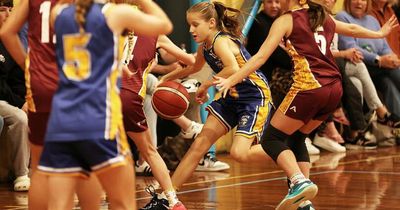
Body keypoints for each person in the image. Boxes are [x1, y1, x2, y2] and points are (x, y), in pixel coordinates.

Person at [214, 0, 397, 208]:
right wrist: (380, 34)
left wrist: (232, 79)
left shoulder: (286, 20)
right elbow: (353, 28)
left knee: (271, 139)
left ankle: (299, 181)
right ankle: (304, 203)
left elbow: (261, 57)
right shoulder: (322, 16)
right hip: (334, 89)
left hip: (309, 87)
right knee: (298, 139)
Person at [35, 0, 172, 209]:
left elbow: (83, 53)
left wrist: (113, 63)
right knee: (122, 202)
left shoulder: (59, 14)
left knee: (60, 204)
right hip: (98, 121)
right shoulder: (116, 14)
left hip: (61, 122)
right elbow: (164, 25)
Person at [141, 2, 273, 209]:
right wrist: (165, 78)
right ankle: (169, 197)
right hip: (231, 97)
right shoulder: (205, 47)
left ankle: (285, 147)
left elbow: (232, 67)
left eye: (195, 25)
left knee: (239, 153)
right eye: (189, 26)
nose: (191, 30)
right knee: (199, 144)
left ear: (211, 23)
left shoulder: (221, 41)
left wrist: (205, 85)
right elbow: (193, 67)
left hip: (253, 96)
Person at [0, 0, 106, 208]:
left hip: (41, 84)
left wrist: (28, 67)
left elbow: (6, 33)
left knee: (40, 167)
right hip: (72, 83)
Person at [120, 33, 189, 210]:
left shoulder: (108, 19)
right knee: (150, 151)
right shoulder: (155, 33)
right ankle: (173, 202)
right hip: (130, 97)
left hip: (104, 94)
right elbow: (189, 61)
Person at [336, 0, 400, 119]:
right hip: (360, 64)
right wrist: (378, 59)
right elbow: (351, 48)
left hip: (379, 67)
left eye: (363, 0)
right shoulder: (342, 17)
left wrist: (391, 58)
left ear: (368, 3)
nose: (359, 3)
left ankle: (396, 123)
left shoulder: (372, 20)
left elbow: (384, 46)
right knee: (395, 70)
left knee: (387, 82)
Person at [0, 1, 30, 191]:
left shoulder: (9, 42)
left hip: (6, 99)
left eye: (11, 10)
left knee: (37, 112)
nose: (9, 14)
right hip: (4, 99)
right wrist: (19, 104)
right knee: (19, 118)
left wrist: (27, 100)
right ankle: (21, 174)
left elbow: (18, 78)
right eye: (3, 10)